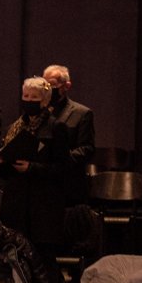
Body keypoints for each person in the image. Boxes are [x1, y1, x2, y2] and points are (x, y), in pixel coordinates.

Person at [0, 77, 74, 283]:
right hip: (17, 203)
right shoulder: (15, 127)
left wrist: (32, 168)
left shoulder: (57, 128)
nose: (28, 100)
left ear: (45, 101)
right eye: (25, 96)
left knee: (43, 257)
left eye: (34, 97)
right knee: (18, 256)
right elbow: (6, 171)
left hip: (43, 206)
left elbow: (64, 168)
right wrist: (0, 161)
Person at [44, 64, 95, 201]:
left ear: (66, 86)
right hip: (43, 181)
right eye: (45, 85)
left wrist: (60, 160)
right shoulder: (39, 111)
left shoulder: (82, 113)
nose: (48, 89)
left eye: (52, 85)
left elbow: (86, 148)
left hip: (68, 182)